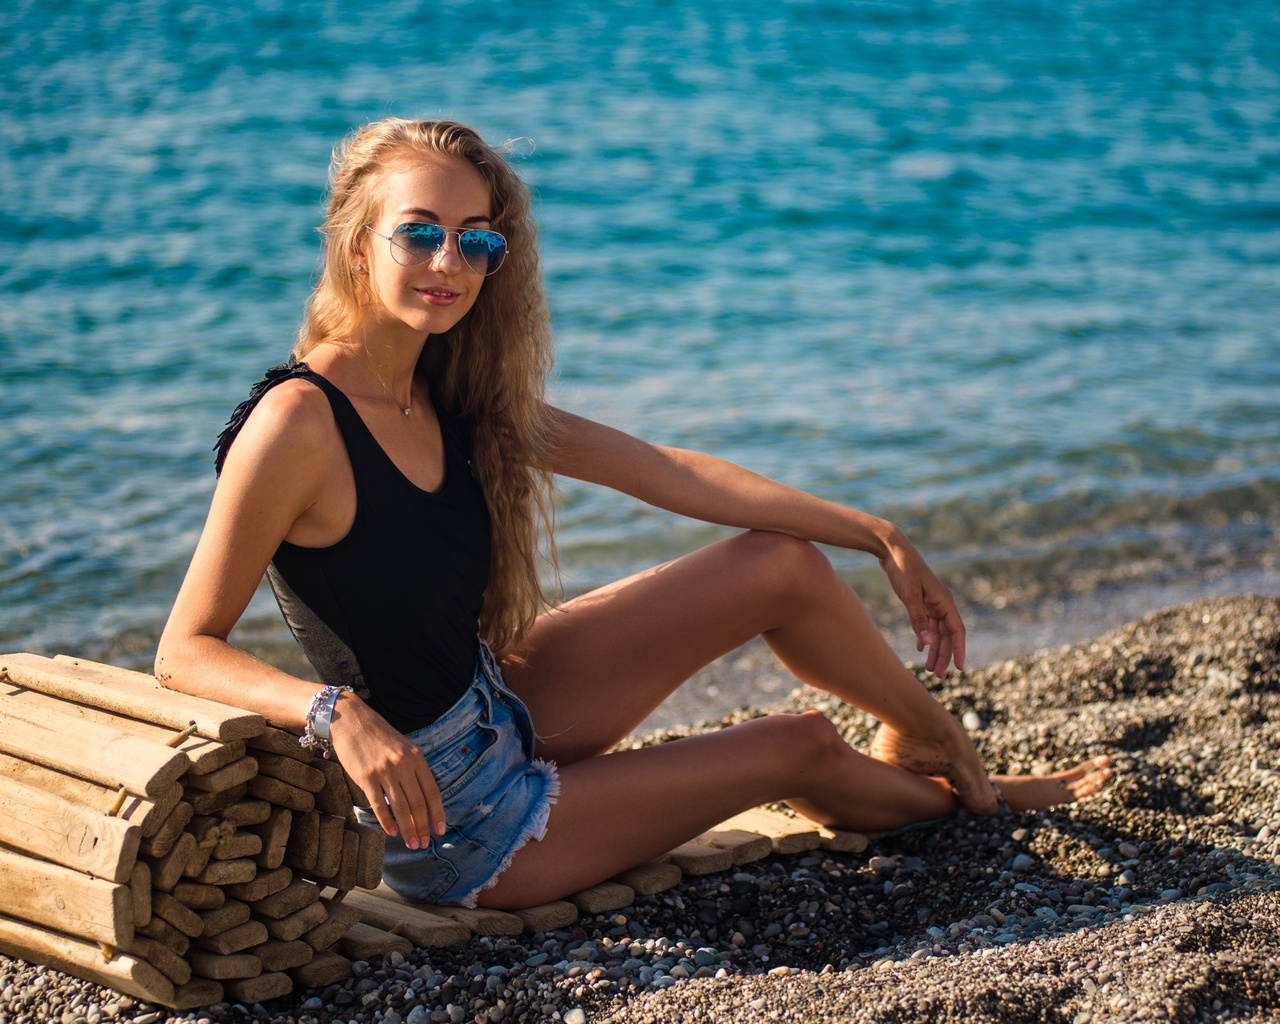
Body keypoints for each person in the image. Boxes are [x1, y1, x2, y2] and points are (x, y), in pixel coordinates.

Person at [156, 117, 1111, 911]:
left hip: (497, 706)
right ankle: (962, 801)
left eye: (477, 238)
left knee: (781, 563)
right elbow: (185, 648)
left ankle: (936, 742)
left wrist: (877, 534)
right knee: (799, 743)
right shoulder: (296, 422)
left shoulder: (447, 386)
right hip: (457, 823)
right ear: (357, 240)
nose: (450, 261)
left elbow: (664, 470)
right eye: (419, 232)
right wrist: (339, 714)